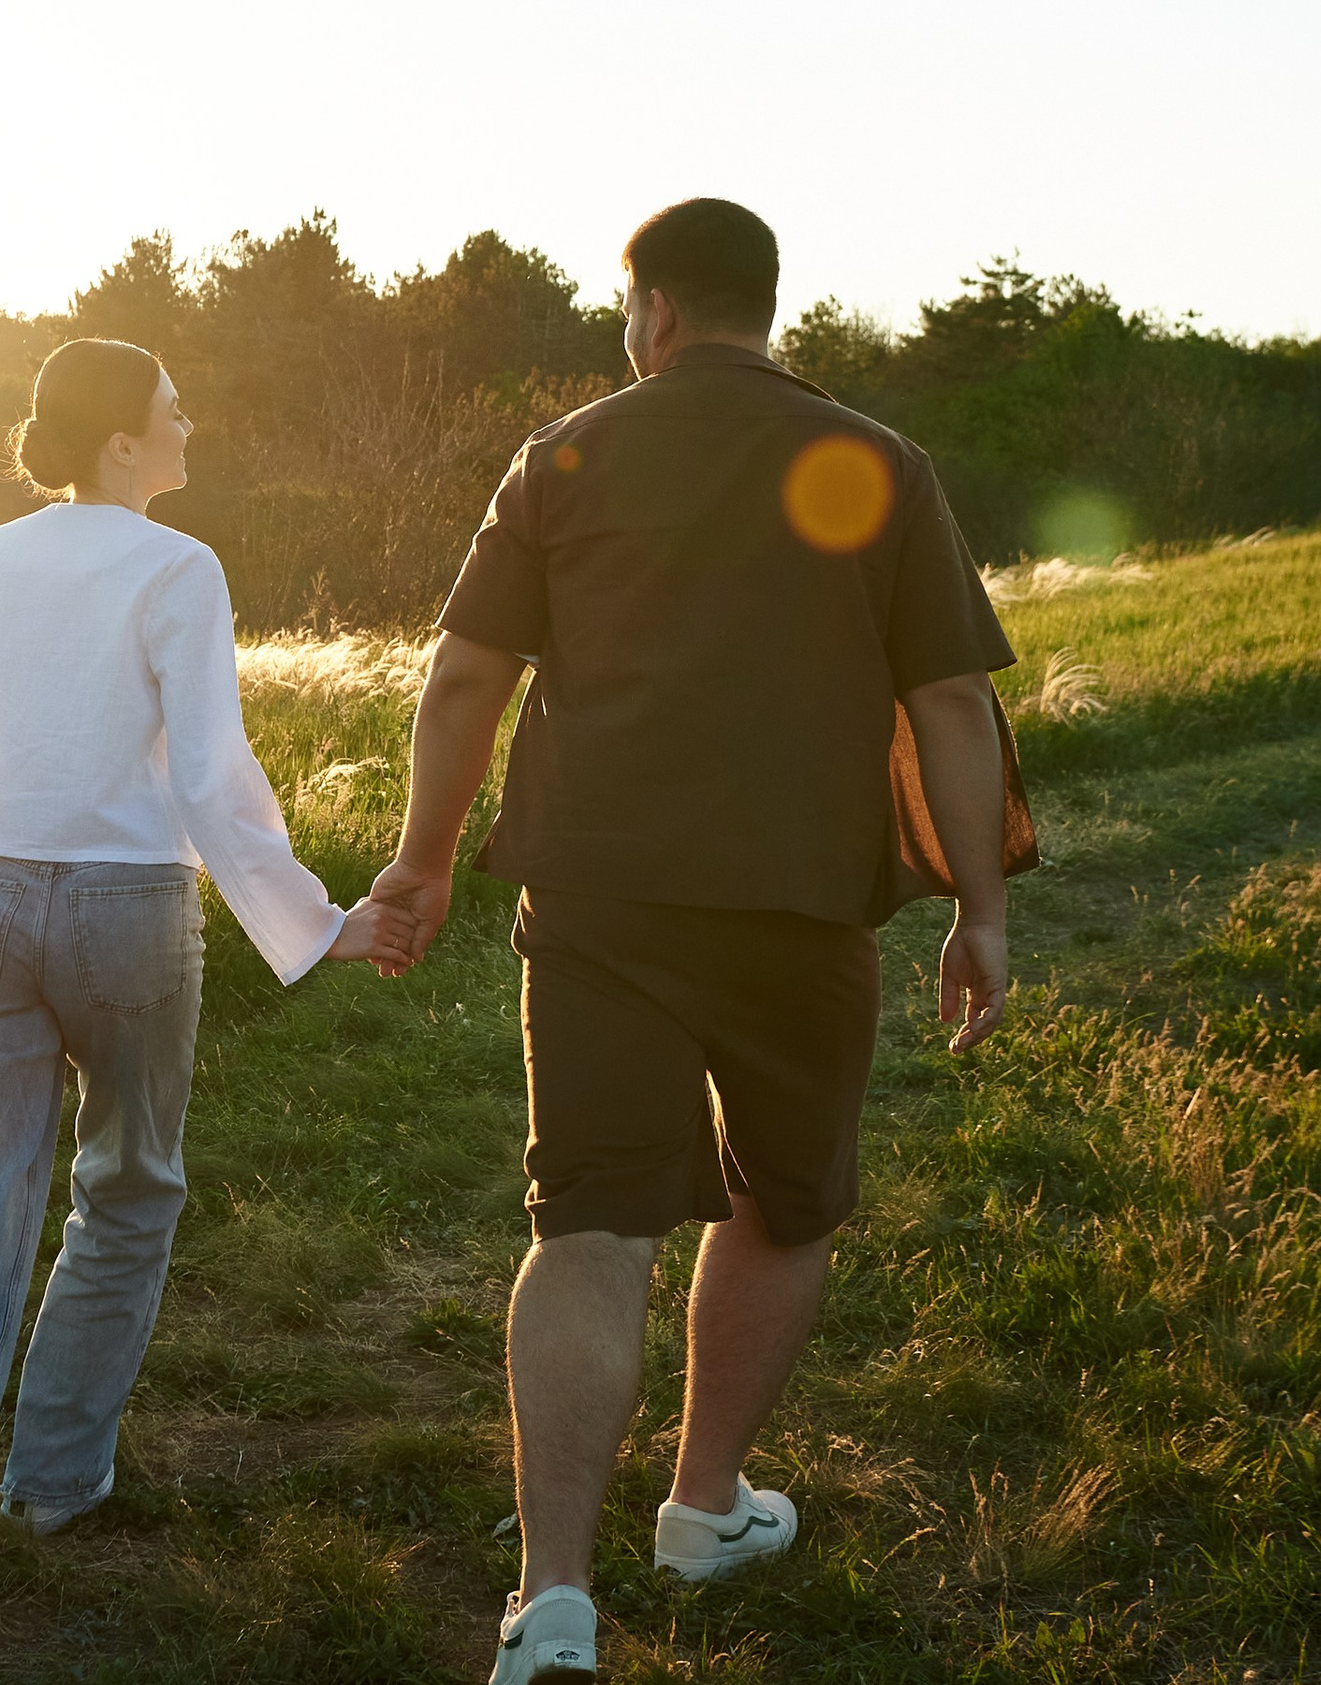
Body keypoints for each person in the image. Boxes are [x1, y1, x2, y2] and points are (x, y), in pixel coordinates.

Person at [365, 198, 1032, 1685]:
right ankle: (702, 1506)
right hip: (804, 902)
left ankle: (551, 1605)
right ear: (763, 306)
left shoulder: (564, 455)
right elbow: (952, 703)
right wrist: (981, 910)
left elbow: (466, 674)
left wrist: (423, 862)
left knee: (590, 1225)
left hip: (597, 899)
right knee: (784, 1202)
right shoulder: (879, 461)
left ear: (655, 311)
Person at [0, 338, 408, 1664]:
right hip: (130, 916)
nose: (190, 426)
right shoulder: (180, 568)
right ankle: (56, 1484)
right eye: (173, 410)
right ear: (123, 441)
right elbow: (210, 773)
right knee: (125, 1185)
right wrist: (320, 925)